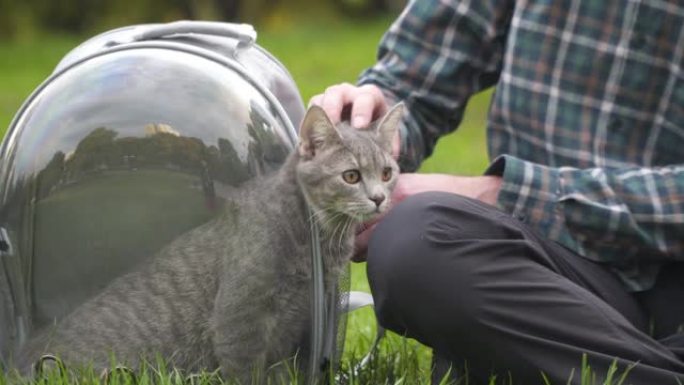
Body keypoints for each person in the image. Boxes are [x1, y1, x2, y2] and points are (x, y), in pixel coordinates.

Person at [310, 1, 684, 384]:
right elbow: (414, 82)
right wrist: (371, 124)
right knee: (414, 239)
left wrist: (501, 193)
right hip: (539, 265)